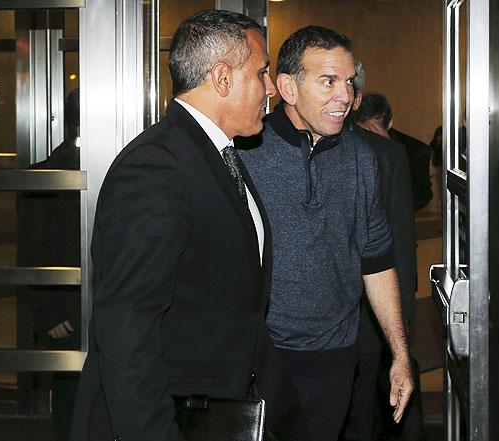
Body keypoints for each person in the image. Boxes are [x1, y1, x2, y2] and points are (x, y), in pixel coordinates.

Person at [70, 10, 307, 441]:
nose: (271, 88)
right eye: (261, 72)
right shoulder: (156, 167)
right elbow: (128, 324)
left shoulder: (215, 154)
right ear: (221, 77)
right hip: (173, 420)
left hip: (220, 410)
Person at [238, 26, 414, 441]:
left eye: (349, 82)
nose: (346, 96)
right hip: (260, 358)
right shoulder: (245, 153)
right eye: (328, 81)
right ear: (288, 87)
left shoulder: (363, 159)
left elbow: (377, 259)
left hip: (335, 358)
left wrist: (401, 354)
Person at [347, 88, 425, 441]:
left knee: (362, 418)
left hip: (368, 320)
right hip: (288, 336)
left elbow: (400, 247)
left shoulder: (386, 155)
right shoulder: (263, 145)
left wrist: (402, 337)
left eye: (347, 84)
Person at [17, 88, 81, 441]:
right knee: (72, 401)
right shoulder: (44, 176)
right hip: (68, 313)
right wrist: (50, 313)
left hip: (110, 310)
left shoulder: (124, 169)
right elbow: (33, 251)